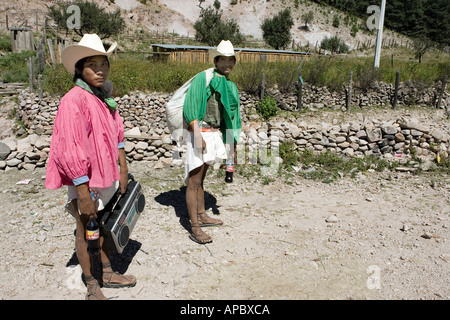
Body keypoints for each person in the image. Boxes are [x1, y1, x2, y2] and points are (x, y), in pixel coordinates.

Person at [45, 34, 136, 300]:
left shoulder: (103, 97)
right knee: (86, 229)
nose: (99, 70)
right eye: (92, 64)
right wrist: (83, 193)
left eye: (104, 64)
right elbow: (70, 148)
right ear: (80, 68)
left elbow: (117, 135)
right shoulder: (74, 100)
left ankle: (106, 271)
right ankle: (91, 284)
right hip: (86, 181)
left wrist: (123, 167)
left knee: (104, 225)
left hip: (104, 176)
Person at [183, 40, 242, 244]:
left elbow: (232, 118)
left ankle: (202, 214)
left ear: (234, 62)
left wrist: (231, 143)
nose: (227, 63)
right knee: (193, 181)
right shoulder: (203, 78)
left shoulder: (229, 85)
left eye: (230, 59)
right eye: (223, 59)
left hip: (214, 133)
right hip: (201, 131)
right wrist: (197, 134)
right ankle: (195, 227)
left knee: (202, 178)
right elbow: (191, 105)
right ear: (216, 60)